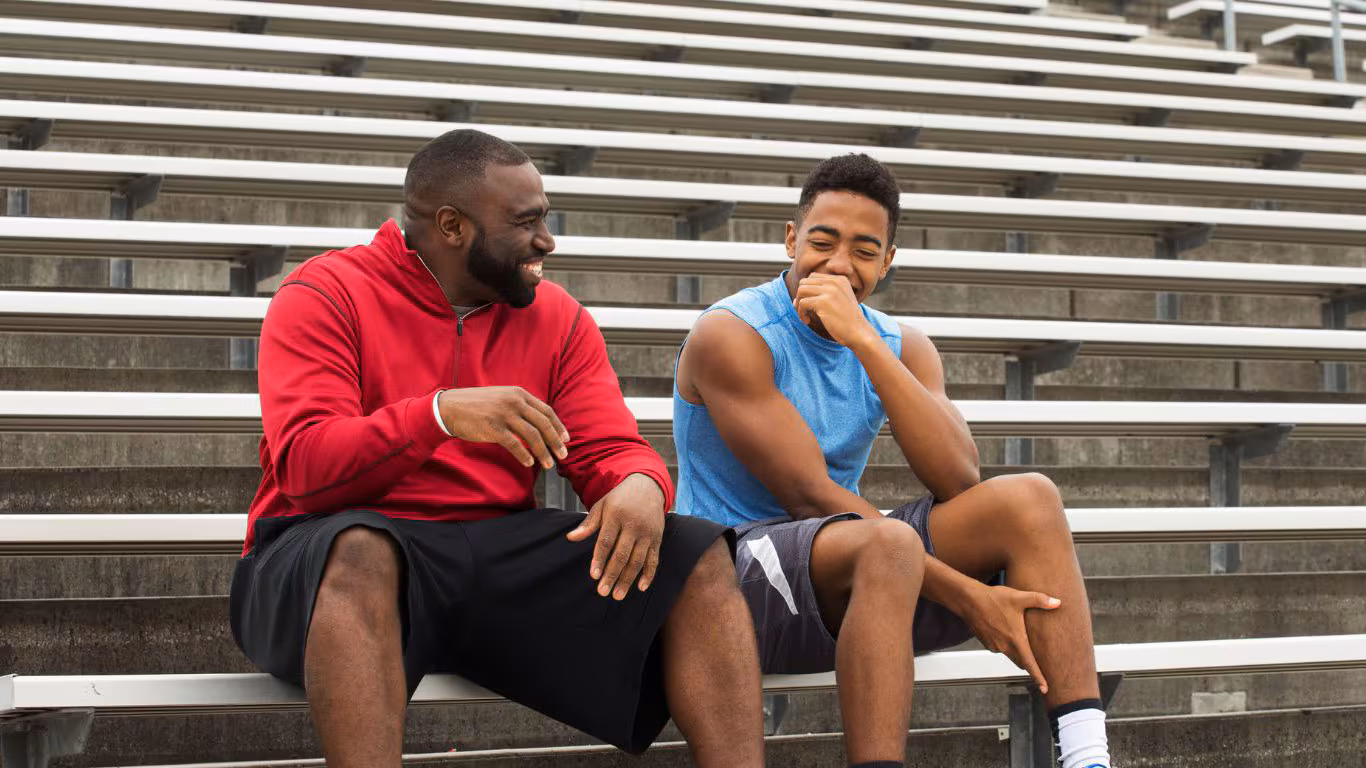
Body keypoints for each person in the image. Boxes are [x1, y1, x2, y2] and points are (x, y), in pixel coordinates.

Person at [229, 128, 765, 768]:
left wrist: (640, 484)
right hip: (320, 554)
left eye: (545, 218)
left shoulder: (557, 316)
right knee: (363, 548)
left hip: (489, 551)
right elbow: (305, 467)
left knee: (696, 553)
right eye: (525, 222)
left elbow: (611, 447)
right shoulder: (324, 292)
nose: (547, 240)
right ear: (452, 226)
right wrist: (438, 415)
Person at [673, 153, 1112, 768]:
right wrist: (969, 596)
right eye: (822, 242)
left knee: (1029, 500)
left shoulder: (900, 343)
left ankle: (1088, 754)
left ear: (887, 261)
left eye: (863, 251)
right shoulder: (733, 333)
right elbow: (808, 495)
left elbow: (958, 477)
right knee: (886, 542)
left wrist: (864, 342)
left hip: (846, 567)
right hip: (727, 581)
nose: (838, 264)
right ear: (791, 239)